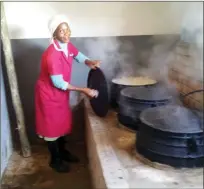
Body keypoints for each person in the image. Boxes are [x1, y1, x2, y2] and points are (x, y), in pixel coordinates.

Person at [35, 14, 100, 173]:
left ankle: (63, 152)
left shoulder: (67, 45)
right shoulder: (52, 54)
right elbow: (58, 82)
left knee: (61, 123)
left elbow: (78, 55)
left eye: (67, 29)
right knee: (51, 128)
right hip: (49, 95)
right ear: (54, 34)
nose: (66, 33)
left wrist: (89, 61)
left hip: (60, 94)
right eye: (61, 31)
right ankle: (55, 160)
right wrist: (83, 90)